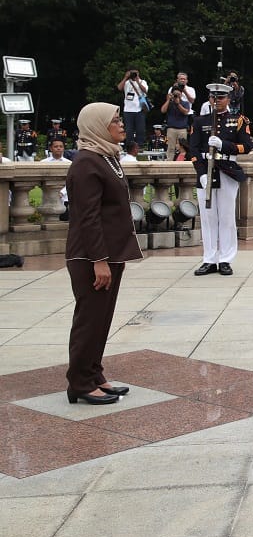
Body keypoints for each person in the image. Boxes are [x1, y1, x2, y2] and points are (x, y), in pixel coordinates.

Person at [63, 103, 142, 405]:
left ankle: (94, 374)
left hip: (110, 253)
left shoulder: (106, 157)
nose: (122, 124)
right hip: (91, 257)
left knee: (102, 318)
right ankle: (80, 382)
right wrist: (99, 260)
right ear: (97, 125)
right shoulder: (86, 164)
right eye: (115, 120)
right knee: (90, 319)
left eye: (121, 119)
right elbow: (88, 217)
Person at [190, 82, 253, 276]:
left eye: (221, 98)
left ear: (228, 99)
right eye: (213, 97)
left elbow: (247, 146)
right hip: (206, 171)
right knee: (208, 219)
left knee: (226, 217)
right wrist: (201, 174)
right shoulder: (200, 121)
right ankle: (209, 259)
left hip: (227, 170)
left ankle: (225, 258)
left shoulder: (239, 120)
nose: (216, 101)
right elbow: (193, 150)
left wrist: (223, 144)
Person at [160, 73, 193, 159]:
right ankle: (169, 162)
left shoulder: (185, 103)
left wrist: (178, 104)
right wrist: (168, 100)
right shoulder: (170, 103)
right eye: (175, 94)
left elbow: (186, 112)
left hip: (182, 128)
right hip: (171, 128)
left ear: (181, 94)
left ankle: (182, 161)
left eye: (178, 94)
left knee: (183, 148)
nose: (176, 96)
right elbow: (163, 110)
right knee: (170, 148)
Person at [116, 68, 150, 147]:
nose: (134, 75)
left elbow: (145, 91)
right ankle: (129, 146)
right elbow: (119, 88)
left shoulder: (142, 82)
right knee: (129, 130)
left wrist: (138, 81)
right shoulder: (127, 82)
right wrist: (125, 77)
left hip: (139, 109)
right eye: (132, 73)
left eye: (135, 73)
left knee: (140, 129)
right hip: (128, 109)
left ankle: (140, 146)